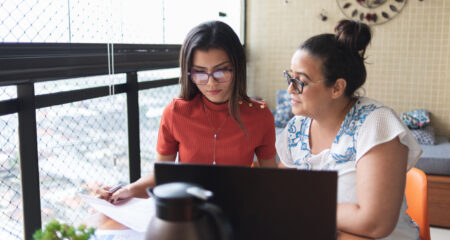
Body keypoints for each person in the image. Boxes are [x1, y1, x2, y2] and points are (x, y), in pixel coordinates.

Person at [97, 21, 277, 203]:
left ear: (237, 68)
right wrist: (128, 189)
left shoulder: (260, 116)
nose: (211, 83)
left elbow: (271, 181)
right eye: (200, 72)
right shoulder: (175, 113)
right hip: (187, 212)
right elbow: (161, 176)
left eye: (221, 71)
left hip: (238, 208)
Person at [276, 20, 422, 239]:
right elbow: (277, 198)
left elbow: (373, 223)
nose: (290, 89)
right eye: (290, 77)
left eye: (301, 81)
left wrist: (302, 210)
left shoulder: (376, 124)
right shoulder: (296, 128)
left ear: (336, 88)